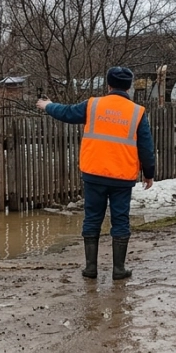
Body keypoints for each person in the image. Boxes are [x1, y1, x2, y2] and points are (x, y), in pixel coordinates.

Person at [37, 67, 156, 280]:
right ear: (129, 87)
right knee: (120, 220)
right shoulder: (137, 112)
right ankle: (118, 269)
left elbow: (66, 112)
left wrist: (47, 105)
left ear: (108, 85)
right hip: (122, 177)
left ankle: (91, 268)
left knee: (92, 218)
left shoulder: (93, 105)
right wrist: (149, 173)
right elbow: (146, 147)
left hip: (94, 173)